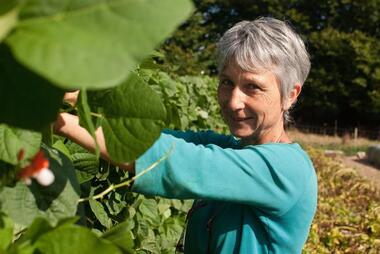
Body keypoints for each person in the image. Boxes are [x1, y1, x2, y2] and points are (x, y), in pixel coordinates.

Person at [55, 17, 317, 254]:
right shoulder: (232, 149)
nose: (234, 101)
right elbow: (153, 137)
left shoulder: (286, 169)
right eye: (227, 82)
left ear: (290, 94)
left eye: (253, 87)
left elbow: (174, 160)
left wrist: (57, 121)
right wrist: (80, 97)